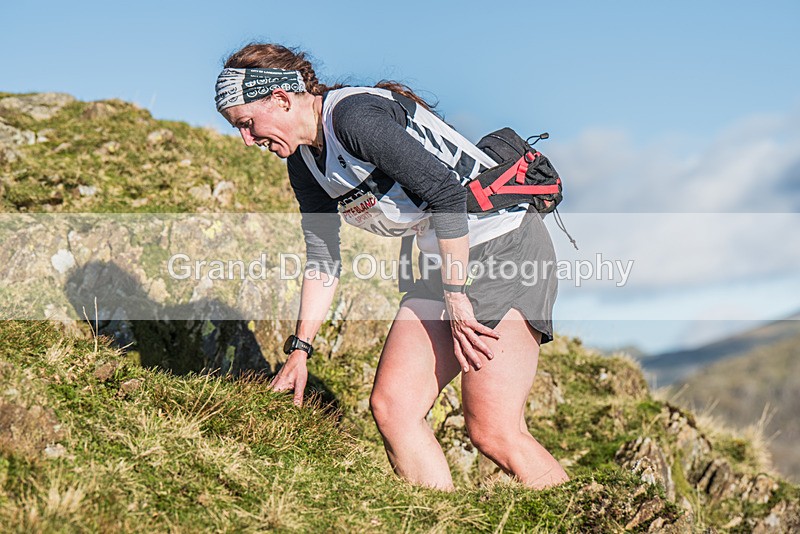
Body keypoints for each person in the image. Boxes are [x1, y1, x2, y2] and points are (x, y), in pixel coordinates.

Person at [215, 43, 569, 490]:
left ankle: (580, 515)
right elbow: (323, 260)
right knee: (393, 407)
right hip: (448, 259)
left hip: (506, 250)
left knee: (493, 431)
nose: (247, 141)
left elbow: (446, 194)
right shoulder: (304, 162)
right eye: (238, 130)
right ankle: (435, 518)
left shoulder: (354, 118)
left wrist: (457, 299)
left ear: (282, 99)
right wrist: (300, 350)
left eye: (247, 124)